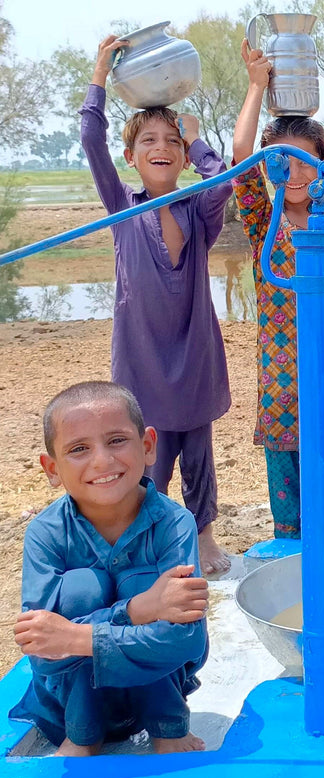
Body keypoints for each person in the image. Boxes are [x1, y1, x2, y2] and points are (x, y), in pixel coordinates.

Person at [80, 35, 233, 575]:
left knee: (198, 453)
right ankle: (149, 545)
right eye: (148, 139)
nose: (161, 147)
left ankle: (204, 536)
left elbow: (225, 182)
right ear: (132, 155)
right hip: (142, 359)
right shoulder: (121, 208)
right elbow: (91, 140)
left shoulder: (197, 211)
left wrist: (200, 141)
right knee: (147, 457)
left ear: (184, 156)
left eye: (171, 140)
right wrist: (101, 72)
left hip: (192, 355)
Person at [10, 382, 208, 756]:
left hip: (157, 687)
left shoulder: (173, 523)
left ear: (148, 445)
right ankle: (85, 733)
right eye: (79, 449)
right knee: (83, 587)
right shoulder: (46, 533)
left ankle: (168, 727)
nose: (101, 461)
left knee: (141, 581)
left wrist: (74, 637)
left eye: (117, 440)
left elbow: (187, 641)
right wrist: (137, 611)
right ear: (52, 468)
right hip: (69, 705)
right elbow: (40, 650)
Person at [231, 41, 324, 538]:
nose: (294, 174)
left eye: (305, 161)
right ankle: (289, 549)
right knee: (287, 476)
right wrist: (257, 87)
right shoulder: (261, 219)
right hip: (283, 370)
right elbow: (238, 157)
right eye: (281, 162)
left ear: (323, 164)